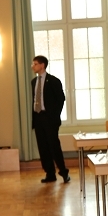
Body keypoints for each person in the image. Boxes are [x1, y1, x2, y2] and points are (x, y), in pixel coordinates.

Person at [30, 55, 70, 183]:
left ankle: (64, 172)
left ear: (42, 65)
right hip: (38, 118)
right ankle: (50, 173)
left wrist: (54, 115)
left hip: (50, 119)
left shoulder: (53, 81)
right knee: (43, 147)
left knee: (54, 146)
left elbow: (61, 99)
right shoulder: (33, 82)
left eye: (35, 64)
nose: (33, 66)